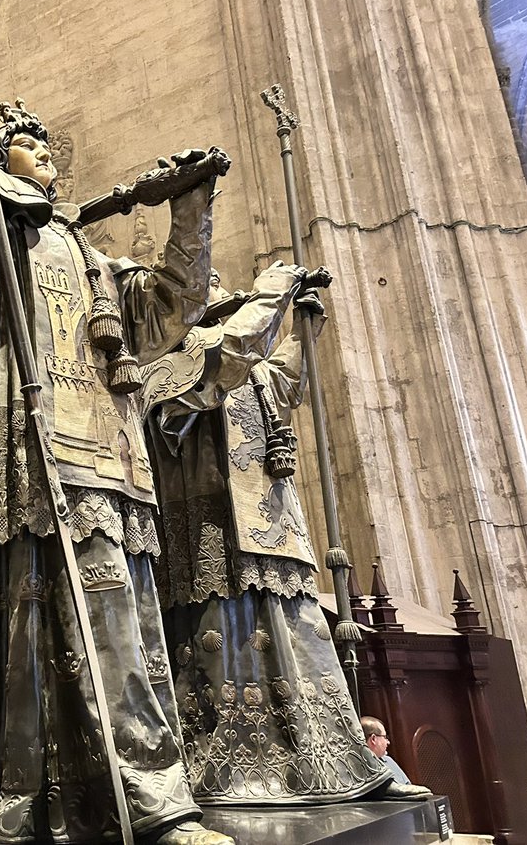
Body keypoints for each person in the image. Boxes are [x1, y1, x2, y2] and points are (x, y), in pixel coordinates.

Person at [0, 0, 231, 845]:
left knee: (121, 626)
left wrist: (189, 211)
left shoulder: (92, 259)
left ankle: (149, 798)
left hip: (105, 456)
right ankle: (29, 784)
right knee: (20, 626)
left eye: (49, 145)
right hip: (26, 451)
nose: (47, 152)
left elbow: (166, 316)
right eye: (29, 144)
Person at [144, 268, 428, 803]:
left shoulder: (248, 369)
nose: (228, 305)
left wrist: (304, 331)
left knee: (302, 639)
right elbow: (222, 364)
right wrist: (273, 293)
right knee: (223, 637)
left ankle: (335, 765)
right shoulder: (169, 366)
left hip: (271, 524)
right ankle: (237, 768)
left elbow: (282, 381)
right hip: (211, 528)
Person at [361, 717, 413, 785]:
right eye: (385, 737)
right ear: (373, 739)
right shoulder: (359, 766)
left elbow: (408, 786)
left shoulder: (388, 760)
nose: (388, 742)